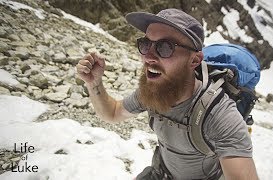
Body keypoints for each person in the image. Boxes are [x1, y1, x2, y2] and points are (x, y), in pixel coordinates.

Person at [76, 8, 258, 180]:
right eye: (146, 44)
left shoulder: (218, 114)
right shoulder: (154, 91)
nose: (148, 57)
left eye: (165, 47)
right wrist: (94, 83)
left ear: (194, 60)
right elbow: (113, 113)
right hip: (161, 172)